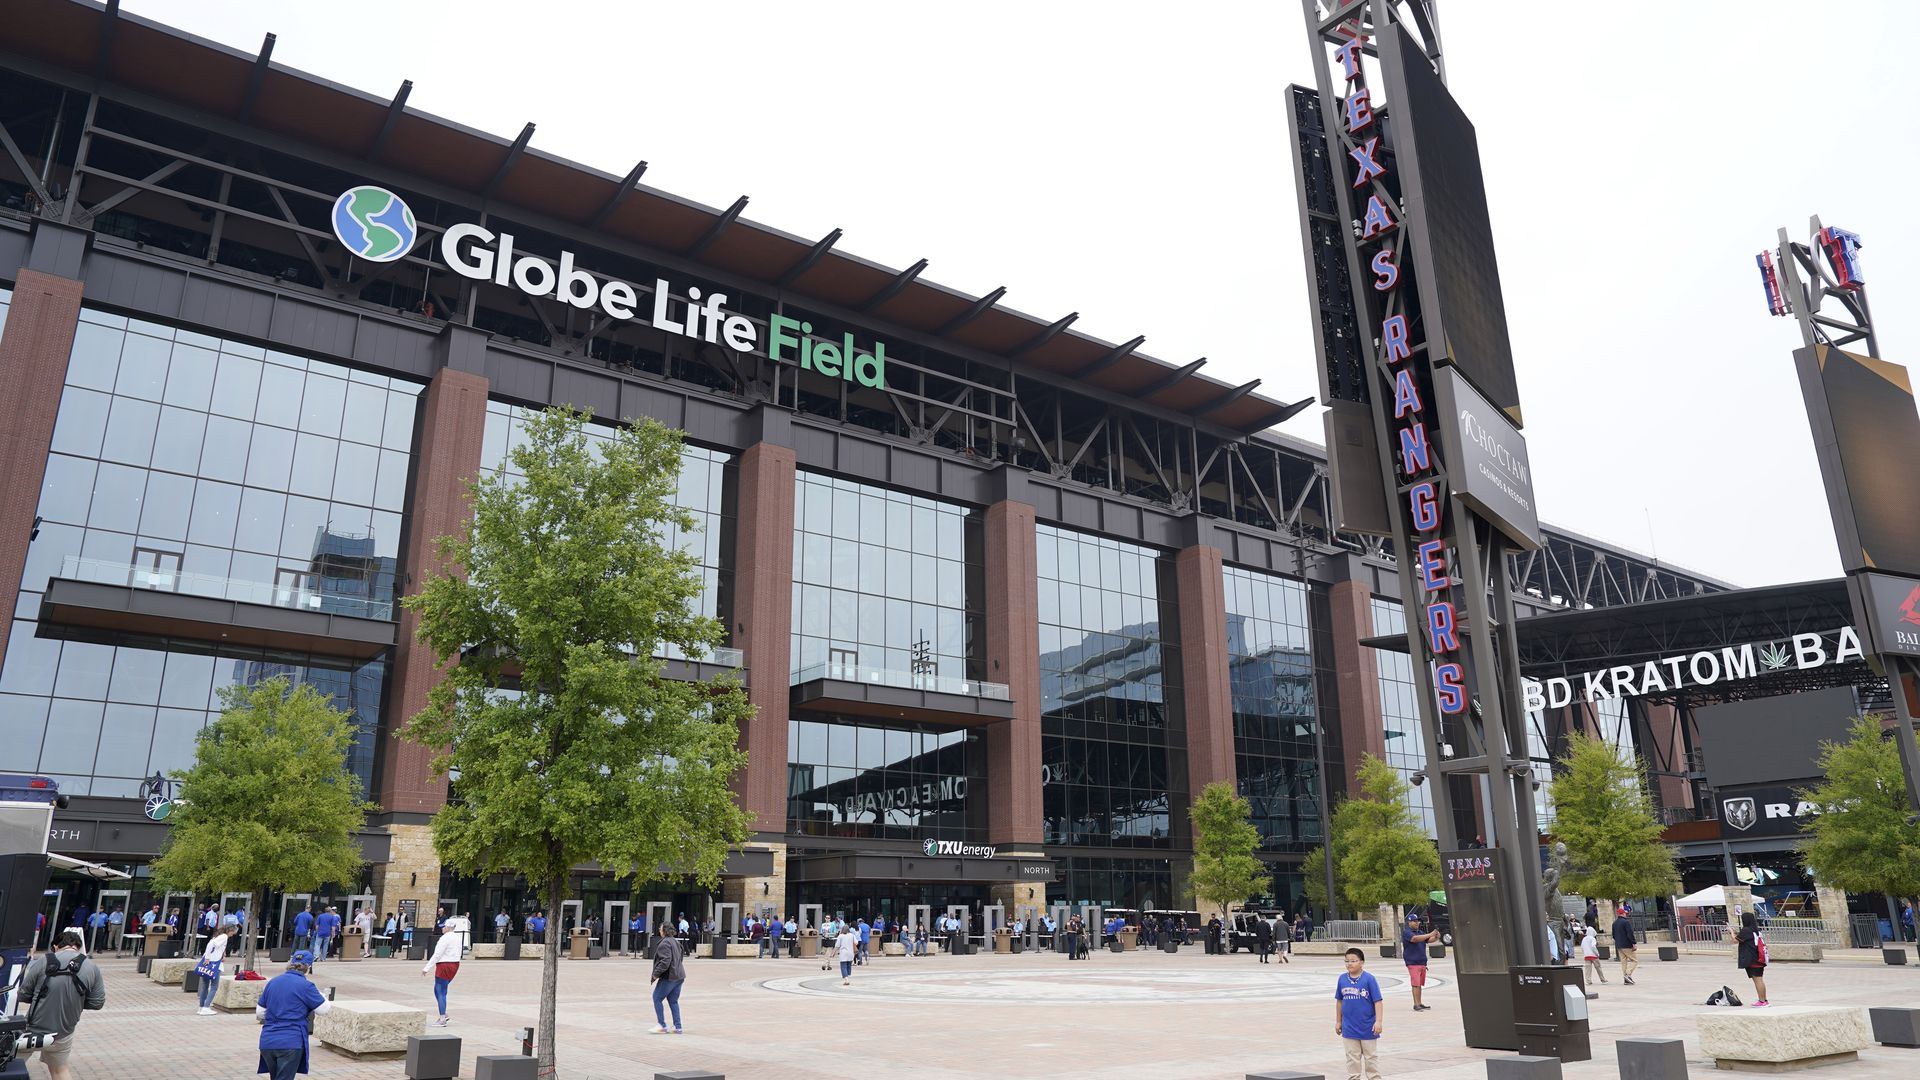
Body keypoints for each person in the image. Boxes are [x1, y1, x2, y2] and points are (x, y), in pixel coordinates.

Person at [19, 929, 106, 1080]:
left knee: (12, 1065)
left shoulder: (43, 961)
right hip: (63, 1032)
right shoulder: (92, 967)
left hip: (32, 1030)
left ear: (56, 946)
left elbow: (23, 994)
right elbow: (97, 1003)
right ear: (78, 947)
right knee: (59, 1070)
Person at [255, 949, 330, 1080]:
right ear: (309, 967)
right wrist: (323, 995)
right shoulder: (306, 986)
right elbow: (323, 1009)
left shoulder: (273, 982)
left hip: (268, 1040)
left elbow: (260, 1013)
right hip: (291, 1041)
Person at [1334, 946, 1385, 1080]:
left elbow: (1378, 1002)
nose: (1349, 964)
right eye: (1347, 961)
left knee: (1371, 1058)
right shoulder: (1342, 979)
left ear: (1362, 962)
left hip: (1368, 1026)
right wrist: (1338, 1021)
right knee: (1352, 1058)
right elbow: (1339, 1001)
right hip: (1349, 1027)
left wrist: (1378, 1021)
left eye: (1353, 961)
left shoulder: (1369, 979)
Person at [423, 915, 466, 1027]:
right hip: (455, 964)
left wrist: (427, 967)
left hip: (444, 964)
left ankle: (442, 1017)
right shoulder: (457, 938)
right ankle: (444, 1013)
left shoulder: (445, 938)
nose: (442, 928)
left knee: (440, 990)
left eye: (444, 927)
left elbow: (437, 954)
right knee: (440, 990)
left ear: (448, 927)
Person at [648, 926, 687, 1034]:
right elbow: (681, 957)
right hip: (679, 976)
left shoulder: (665, 943)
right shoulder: (675, 941)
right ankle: (678, 1027)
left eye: (660, 929)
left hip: (670, 977)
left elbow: (665, 961)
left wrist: (655, 975)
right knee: (673, 1001)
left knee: (656, 997)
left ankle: (662, 1025)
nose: (659, 930)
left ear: (664, 931)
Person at [195, 924, 239, 1015]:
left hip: (208, 961)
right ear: (230, 930)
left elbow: (214, 946)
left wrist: (209, 957)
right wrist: (208, 957)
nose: (233, 935)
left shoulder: (218, 935)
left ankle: (201, 1006)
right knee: (214, 986)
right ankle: (206, 1007)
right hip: (214, 963)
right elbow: (211, 944)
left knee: (205, 985)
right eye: (233, 932)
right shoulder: (224, 937)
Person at [1403, 914, 1440, 1011]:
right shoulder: (1407, 932)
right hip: (1413, 962)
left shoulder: (1420, 932)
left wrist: (1436, 936)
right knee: (1415, 984)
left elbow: (1429, 940)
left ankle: (1419, 1003)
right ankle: (1416, 1005)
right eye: (1414, 921)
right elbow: (1415, 939)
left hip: (1422, 962)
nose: (1417, 923)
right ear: (1409, 922)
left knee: (1419, 984)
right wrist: (1430, 934)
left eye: (1417, 921)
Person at [1736, 911, 1769, 1007]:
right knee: (1759, 980)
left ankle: (1762, 1001)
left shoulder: (1746, 930)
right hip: (1758, 958)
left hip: (1753, 959)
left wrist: (1732, 932)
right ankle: (1763, 1000)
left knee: (1758, 980)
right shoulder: (1756, 931)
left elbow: (1735, 940)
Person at [1611, 906, 1638, 985]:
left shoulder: (1614, 923)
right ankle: (1627, 974)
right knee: (1634, 960)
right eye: (1625, 913)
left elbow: (1613, 935)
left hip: (1619, 945)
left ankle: (1626, 979)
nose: (1626, 914)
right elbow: (1630, 933)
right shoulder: (1626, 922)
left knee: (1624, 962)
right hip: (1627, 944)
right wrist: (1633, 943)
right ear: (1622, 913)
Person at [834, 920, 859, 986]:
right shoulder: (852, 935)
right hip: (851, 953)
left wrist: (833, 953)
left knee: (843, 966)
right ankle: (848, 977)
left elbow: (837, 946)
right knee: (848, 965)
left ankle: (846, 979)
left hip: (843, 953)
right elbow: (856, 942)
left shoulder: (840, 936)